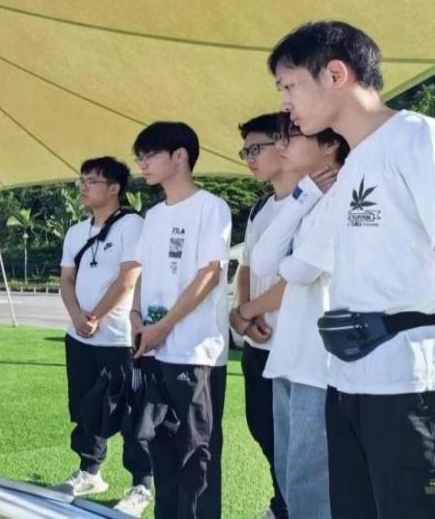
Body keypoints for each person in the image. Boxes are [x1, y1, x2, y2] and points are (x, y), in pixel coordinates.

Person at [269, 20, 435, 519]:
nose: (285, 103)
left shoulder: (418, 136)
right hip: (352, 383)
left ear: (335, 74)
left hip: (420, 386)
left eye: (289, 86)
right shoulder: (355, 165)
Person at [246, 119, 349, 519]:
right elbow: (264, 261)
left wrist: (288, 262)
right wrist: (303, 194)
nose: (282, 146)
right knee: (290, 475)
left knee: (310, 482)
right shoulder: (308, 196)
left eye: (290, 137)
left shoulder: (344, 194)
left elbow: (301, 270)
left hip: (319, 359)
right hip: (289, 354)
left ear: (329, 145)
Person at [130, 121, 231, 519]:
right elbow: (141, 271)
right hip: (153, 348)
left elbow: (210, 274)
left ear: (180, 156)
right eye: (139, 157)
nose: (142, 164)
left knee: (197, 452)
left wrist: (164, 326)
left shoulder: (211, 207)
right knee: (161, 446)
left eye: (149, 155)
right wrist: (136, 316)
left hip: (194, 352)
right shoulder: (153, 215)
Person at [55, 156, 153, 517]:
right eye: (81, 180)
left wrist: (94, 316)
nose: (83, 187)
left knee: (131, 412)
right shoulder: (76, 231)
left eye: (92, 181)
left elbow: (129, 278)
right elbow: (66, 279)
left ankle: (141, 484)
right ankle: (90, 471)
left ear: (114, 188)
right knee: (86, 407)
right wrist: (77, 317)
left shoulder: (132, 225)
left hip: (119, 338)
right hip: (80, 336)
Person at [229, 112, 303, 519]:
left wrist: (246, 311)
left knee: (302, 442)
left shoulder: (312, 201)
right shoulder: (260, 208)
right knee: (264, 429)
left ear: (285, 144)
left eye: (256, 149)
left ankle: (294, 507)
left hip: (296, 348)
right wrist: (244, 315)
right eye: (245, 152)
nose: (249, 159)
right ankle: (283, 503)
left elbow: (298, 278)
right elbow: (246, 267)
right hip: (259, 344)